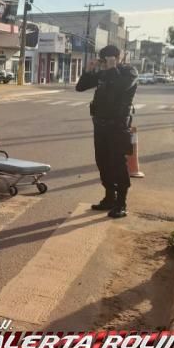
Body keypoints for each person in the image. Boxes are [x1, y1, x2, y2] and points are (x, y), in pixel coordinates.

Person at [76, 45, 138, 218]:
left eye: (106, 60)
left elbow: (119, 88)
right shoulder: (104, 73)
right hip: (100, 125)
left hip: (118, 126)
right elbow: (80, 87)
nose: (103, 64)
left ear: (117, 58)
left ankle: (121, 203)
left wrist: (112, 68)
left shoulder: (129, 72)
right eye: (102, 61)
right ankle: (109, 197)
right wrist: (88, 71)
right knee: (102, 162)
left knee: (118, 163)